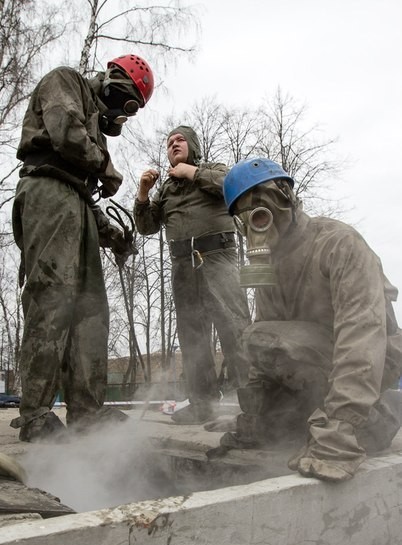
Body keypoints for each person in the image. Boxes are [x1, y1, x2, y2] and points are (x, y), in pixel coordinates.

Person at [207, 157, 402, 482]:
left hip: (374, 357)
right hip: (316, 363)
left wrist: (340, 433)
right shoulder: (269, 267)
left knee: (344, 436)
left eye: (263, 206)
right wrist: (256, 415)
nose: (258, 221)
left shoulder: (338, 243)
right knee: (277, 419)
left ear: (287, 197)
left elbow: (362, 335)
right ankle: (322, 415)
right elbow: (264, 345)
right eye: (246, 216)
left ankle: (384, 410)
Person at [11, 54, 154, 442]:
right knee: (52, 298)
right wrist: (106, 169)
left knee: (91, 311)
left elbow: (89, 200)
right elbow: (64, 132)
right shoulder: (66, 81)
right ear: (112, 80)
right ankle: (36, 415)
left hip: (74, 198)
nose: (123, 116)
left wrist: (115, 236)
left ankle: (88, 413)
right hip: (47, 188)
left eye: (132, 111)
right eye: (126, 103)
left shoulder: (95, 142)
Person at [134, 125, 251, 424]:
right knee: (192, 336)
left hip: (217, 257)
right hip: (183, 264)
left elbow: (232, 184)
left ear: (193, 145)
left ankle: (255, 400)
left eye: (180, 140)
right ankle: (202, 404)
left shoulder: (212, 170)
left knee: (234, 326)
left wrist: (191, 172)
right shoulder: (166, 189)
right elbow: (147, 226)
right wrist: (143, 194)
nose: (173, 145)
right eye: (169, 142)